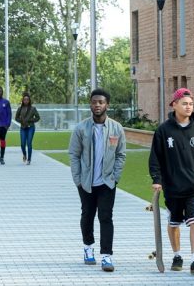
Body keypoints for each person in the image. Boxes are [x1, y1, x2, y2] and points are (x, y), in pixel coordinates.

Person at [149, 88, 194, 275]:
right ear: (174, 104)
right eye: (184, 103)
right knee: (174, 222)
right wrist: (157, 179)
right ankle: (177, 256)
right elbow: (156, 158)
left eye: (191, 104)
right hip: (172, 187)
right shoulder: (163, 130)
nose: (188, 107)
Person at [69, 88, 127, 272]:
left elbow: (121, 155)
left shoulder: (116, 128)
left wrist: (115, 177)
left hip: (107, 182)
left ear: (107, 105)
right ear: (90, 104)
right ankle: (88, 248)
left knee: (106, 217)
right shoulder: (81, 129)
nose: (97, 105)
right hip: (86, 183)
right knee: (87, 215)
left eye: (101, 102)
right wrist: (78, 179)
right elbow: (74, 154)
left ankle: (107, 256)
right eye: (94, 102)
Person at [15, 92, 41, 165]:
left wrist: (30, 120)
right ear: (22, 100)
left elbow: (38, 118)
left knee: (29, 143)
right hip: (23, 128)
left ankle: (29, 159)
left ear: (29, 100)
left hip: (30, 128)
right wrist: (21, 121)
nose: (26, 101)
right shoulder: (20, 108)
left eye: (27, 99)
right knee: (22, 144)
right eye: (24, 99)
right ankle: (24, 155)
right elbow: (16, 118)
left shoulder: (33, 109)